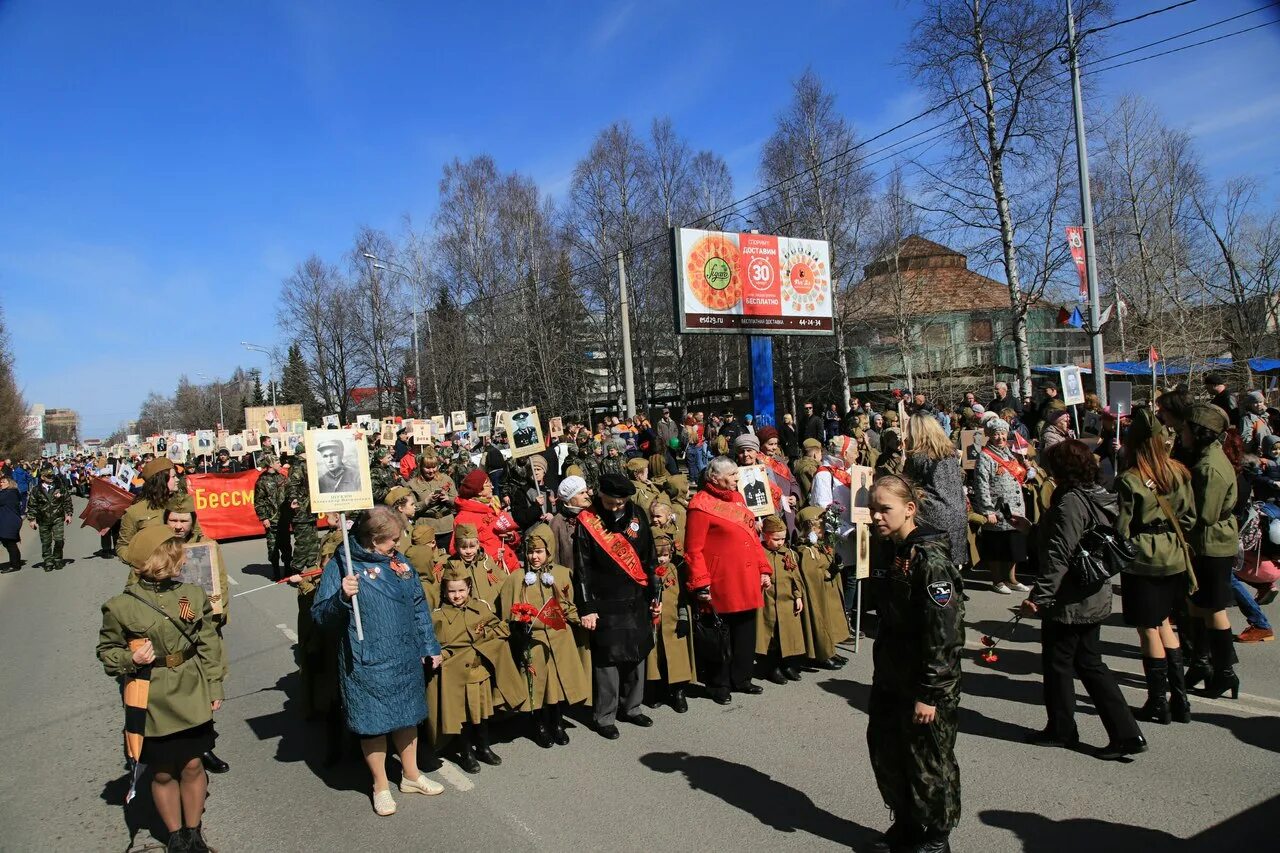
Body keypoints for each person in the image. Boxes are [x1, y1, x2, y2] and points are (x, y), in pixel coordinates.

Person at [98, 525, 225, 853]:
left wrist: (215, 685)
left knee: (193, 764)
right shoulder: (121, 607)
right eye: (175, 554)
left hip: (191, 686)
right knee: (164, 771)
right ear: (156, 559)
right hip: (152, 696)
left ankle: (194, 832)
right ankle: (176, 836)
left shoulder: (192, 595)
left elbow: (208, 641)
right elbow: (107, 653)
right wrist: (130, 658)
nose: (182, 559)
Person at [311, 506, 445, 816]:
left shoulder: (400, 563)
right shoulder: (342, 565)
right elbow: (320, 617)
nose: (397, 544)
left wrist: (429, 645)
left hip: (405, 654)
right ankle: (381, 785)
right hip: (367, 658)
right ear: (373, 539)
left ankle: (411, 775)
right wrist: (341, 597)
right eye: (392, 539)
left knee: (407, 715)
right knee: (374, 723)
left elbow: (418, 606)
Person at [1021, 440, 1147, 760]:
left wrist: (1041, 596)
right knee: (1089, 662)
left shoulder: (1071, 502)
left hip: (1071, 598)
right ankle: (1125, 732)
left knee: (1061, 663)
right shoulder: (1098, 494)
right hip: (1092, 591)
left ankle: (1064, 729)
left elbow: (1059, 554)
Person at [866, 474, 962, 853]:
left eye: (884, 509)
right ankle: (906, 823)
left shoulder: (931, 561)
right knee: (888, 752)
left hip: (924, 682)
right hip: (892, 676)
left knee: (930, 763)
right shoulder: (893, 550)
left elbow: (945, 634)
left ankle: (936, 838)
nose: (876, 516)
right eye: (872, 509)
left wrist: (930, 693)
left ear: (910, 510)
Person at [1115, 408, 1196, 725]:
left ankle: (1157, 702)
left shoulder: (1129, 479)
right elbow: (1188, 517)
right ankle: (1182, 700)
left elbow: (1122, 528)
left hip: (1144, 558)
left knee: (1147, 628)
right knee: (1165, 623)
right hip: (1173, 555)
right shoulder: (1178, 471)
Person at [572, 472, 661, 739]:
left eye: (621, 503)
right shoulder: (587, 521)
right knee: (607, 659)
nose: (616, 507)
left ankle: (632, 707)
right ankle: (605, 715)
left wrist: (655, 589)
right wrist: (587, 606)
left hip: (636, 594)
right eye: (611, 502)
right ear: (600, 495)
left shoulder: (638, 514)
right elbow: (582, 568)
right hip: (605, 598)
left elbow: (649, 554)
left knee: (637, 651)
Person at [684, 457, 773, 703]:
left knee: (745, 632)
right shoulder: (700, 505)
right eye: (732, 474)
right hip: (720, 581)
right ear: (714, 478)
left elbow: (753, 538)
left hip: (746, 578)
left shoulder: (738, 499)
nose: (737, 478)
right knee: (719, 635)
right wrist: (701, 582)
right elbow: (693, 549)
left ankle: (742, 678)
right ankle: (718, 684)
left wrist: (763, 569)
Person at [427, 568, 526, 773]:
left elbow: (498, 627)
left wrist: (489, 635)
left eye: (461, 590)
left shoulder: (480, 608)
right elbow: (435, 646)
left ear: (469, 588)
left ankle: (483, 747)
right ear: (444, 592)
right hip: (455, 678)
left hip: (479, 672)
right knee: (461, 715)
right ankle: (466, 752)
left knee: (482, 713)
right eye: (452, 591)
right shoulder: (438, 617)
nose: (457, 595)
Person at [500, 529, 588, 747]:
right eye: (530, 552)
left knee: (556, 683)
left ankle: (556, 722)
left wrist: (583, 618)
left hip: (559, 638)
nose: (534, 557)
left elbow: (569, 604)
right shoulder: (517, 579)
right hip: (534, 640)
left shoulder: (561, 574)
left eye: (539, 551)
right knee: (537, 684)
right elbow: (507, 612)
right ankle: (538, 724)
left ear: (549, 551)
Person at [1180, 404, 1242, 700]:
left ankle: (1225, 672)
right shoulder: (1205, 457)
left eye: (1185, 429)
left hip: (1212, 543)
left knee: (1213, 608)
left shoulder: (1209, 466)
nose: (1181, 434)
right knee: (1197, 605)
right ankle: (1201, 663)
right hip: (1204, 542)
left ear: (1198, 432)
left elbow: (1204, 513)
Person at [972, 418, 1030, 594]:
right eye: (996, 434)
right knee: (997, 546)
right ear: (989, 435)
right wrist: (987, 510)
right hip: (997, 508)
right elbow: (981, 484)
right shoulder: (985, 456)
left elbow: (1019, 476)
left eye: (1003, 433)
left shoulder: (1010, 454)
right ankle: (997, 580)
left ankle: (1012, 579)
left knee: (1013, 545)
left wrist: (1028, 470)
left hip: (1015, 508)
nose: (1000, 437)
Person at [903, 414, 967, 570]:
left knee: (933, 568)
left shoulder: (918, 457)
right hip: (957, 513)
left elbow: (906, 484)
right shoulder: (950, 453)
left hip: (932, 516)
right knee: (951, 567)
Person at [644, 530, 695, 712]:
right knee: (655, 658)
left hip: (673, 621)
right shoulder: (647, 571)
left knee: (677, 658)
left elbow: (682, 597)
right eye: (658, 556)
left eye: (665, 555)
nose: (662, 560)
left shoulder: (676, 568)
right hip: (654, 623)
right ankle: (654, 691)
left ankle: (679, 692)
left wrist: (683, 619)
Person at [757, 515, 805, 684]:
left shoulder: (788, 553)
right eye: (776, 539)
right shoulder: (760, 553)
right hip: (767, 602)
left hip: (786, 601)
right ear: (765, 535)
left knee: (788, 634)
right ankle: (772, 667)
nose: (780, 542)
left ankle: (787, 664)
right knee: (772, 636)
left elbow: (796, 576)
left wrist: (798, 596)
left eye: (783, 538)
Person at [118, 457, 179, 560]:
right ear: (161, 480)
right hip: (149, 573)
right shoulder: (135, 511)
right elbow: (123, 546)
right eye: (173, 477)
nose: (177, 480)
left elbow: (197, 534)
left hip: (182, 571)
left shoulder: (183, 504)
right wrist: (139, 562)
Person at [406, 448, 458, 551]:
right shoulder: (412, 484)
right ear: (420, 467)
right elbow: (410, 510)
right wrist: (426, 502)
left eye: (434, 467)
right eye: (427, 468)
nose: (431, 471)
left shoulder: (446, 479)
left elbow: (457, 501)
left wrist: (448, 499)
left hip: (446, 527)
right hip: (425, 528)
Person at [26, 465, 73, 571]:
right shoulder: (36, 490)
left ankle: (57, 559)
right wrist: (32, 520)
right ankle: (48, 561)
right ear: (42, 477)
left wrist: (69, 514)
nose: (51, 478)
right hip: (43, 519)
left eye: (51, 476)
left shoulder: (59, 487)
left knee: (59, 540)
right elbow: (32, 505)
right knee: (46, 542)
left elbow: (67, 501)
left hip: (58, 518)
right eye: (48, 476)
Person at [254, 459, 291, 579]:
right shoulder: (262, 481)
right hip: (271, 519)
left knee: (286, 545)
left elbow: (289, 494)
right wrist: (264, 518)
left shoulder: (282, 478)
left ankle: (287, 568)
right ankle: (275, 570)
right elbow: (258, 501)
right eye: (277, 462)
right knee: (273, 546)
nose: (280, 464)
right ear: (270, 464)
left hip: (284, 518)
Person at [0, 473, 21, 572]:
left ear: (10, 484)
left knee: (10, 543)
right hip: (8, 520)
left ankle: (15, 565)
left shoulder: (9, 493)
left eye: (3, 482)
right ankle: (16, 562)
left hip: (9, 521)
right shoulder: (9, 492)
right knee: (8, 543)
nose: (1, 483)